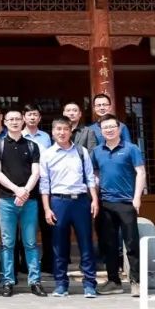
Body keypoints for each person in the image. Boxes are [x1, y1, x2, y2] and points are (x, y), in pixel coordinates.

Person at [40, 116, 99, 298]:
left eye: (65, 129)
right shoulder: (47, 154)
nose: (62, 133)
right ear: (53, 132)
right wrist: (47, 208)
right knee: (59, 245)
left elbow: (90, 177)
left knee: (86, 243)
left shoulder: (81, 151)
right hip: (58, 202)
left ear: (71, 131)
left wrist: (94, 199)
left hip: (81, 201)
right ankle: (61, 284)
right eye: (58, 129)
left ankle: (90, 284)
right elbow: (44, 184)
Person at [0, 110, 45, 297]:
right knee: (7, 243)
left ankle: (35, 281)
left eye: (17, 119)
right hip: (6, 200)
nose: (14, 122)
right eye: (10, 119)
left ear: (23, 122)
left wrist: (25, 191)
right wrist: (16, 190)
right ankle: (8, 281)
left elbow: (36, 172)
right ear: (4, 122)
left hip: (29, 201)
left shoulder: (32, 145)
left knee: (31, 242)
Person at [93, 114, 147, 297]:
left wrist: (137, 198)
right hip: (106, 203)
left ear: (119, 129)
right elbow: (95, 174)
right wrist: (95, 196)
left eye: (112, 127)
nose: (108, 130)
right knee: (109, 244)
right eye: (105, 128)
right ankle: (113, 281)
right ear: (101, 131)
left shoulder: (131, 149)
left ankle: (136, 281)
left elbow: (141, 173)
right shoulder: (97, 151)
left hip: (126, 203)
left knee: (131, 244)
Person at [22, 103, 53, 272]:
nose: (32, 117)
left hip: (44, 185)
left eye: (35, 114)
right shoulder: (19, 136)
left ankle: (48, 261)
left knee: (46, 224)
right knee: (26, 226)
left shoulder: (46, 137)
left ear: (39, 118)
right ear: (24, 118)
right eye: (29, 115)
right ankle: (25, 264)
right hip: (25, 186)